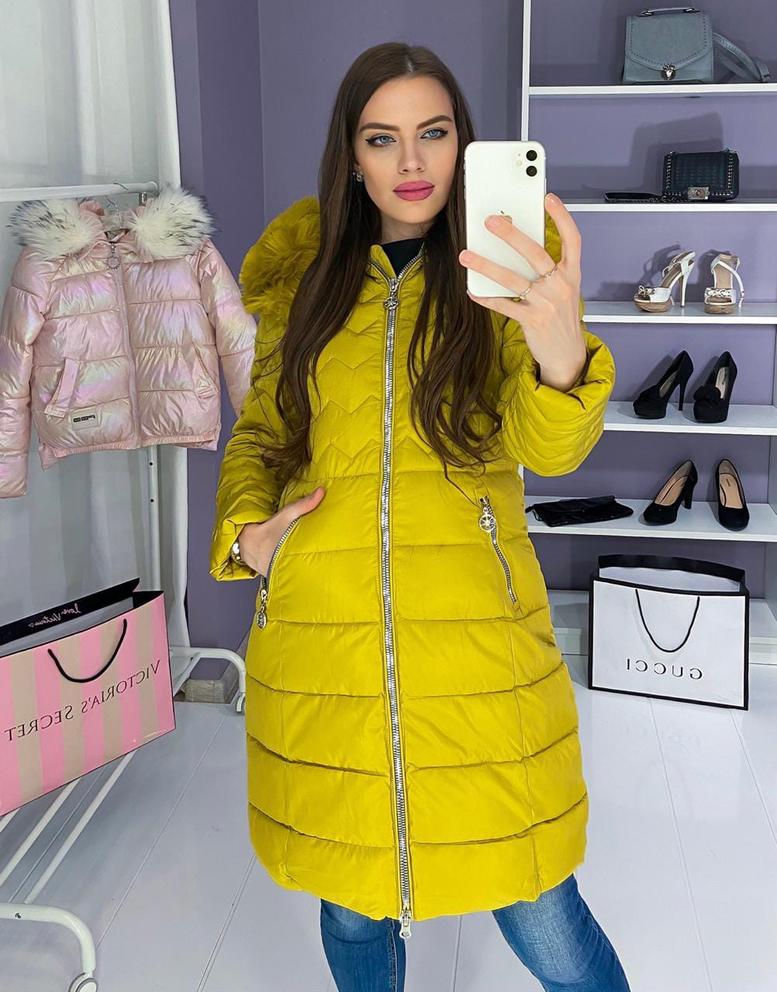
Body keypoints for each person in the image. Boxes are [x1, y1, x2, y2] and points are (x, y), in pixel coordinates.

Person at [209, 40, 629, 992]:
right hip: (326, 639)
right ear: (350, 155)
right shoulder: (304, 277)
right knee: (351, 905)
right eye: (381, 138)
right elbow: (263, 432)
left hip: (477, 643)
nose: (410, 162)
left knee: (541, 910)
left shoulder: (505, 266)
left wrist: (561, 353)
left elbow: (548, 449)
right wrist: (250, 536)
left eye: (432, 133)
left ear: (462, 143)